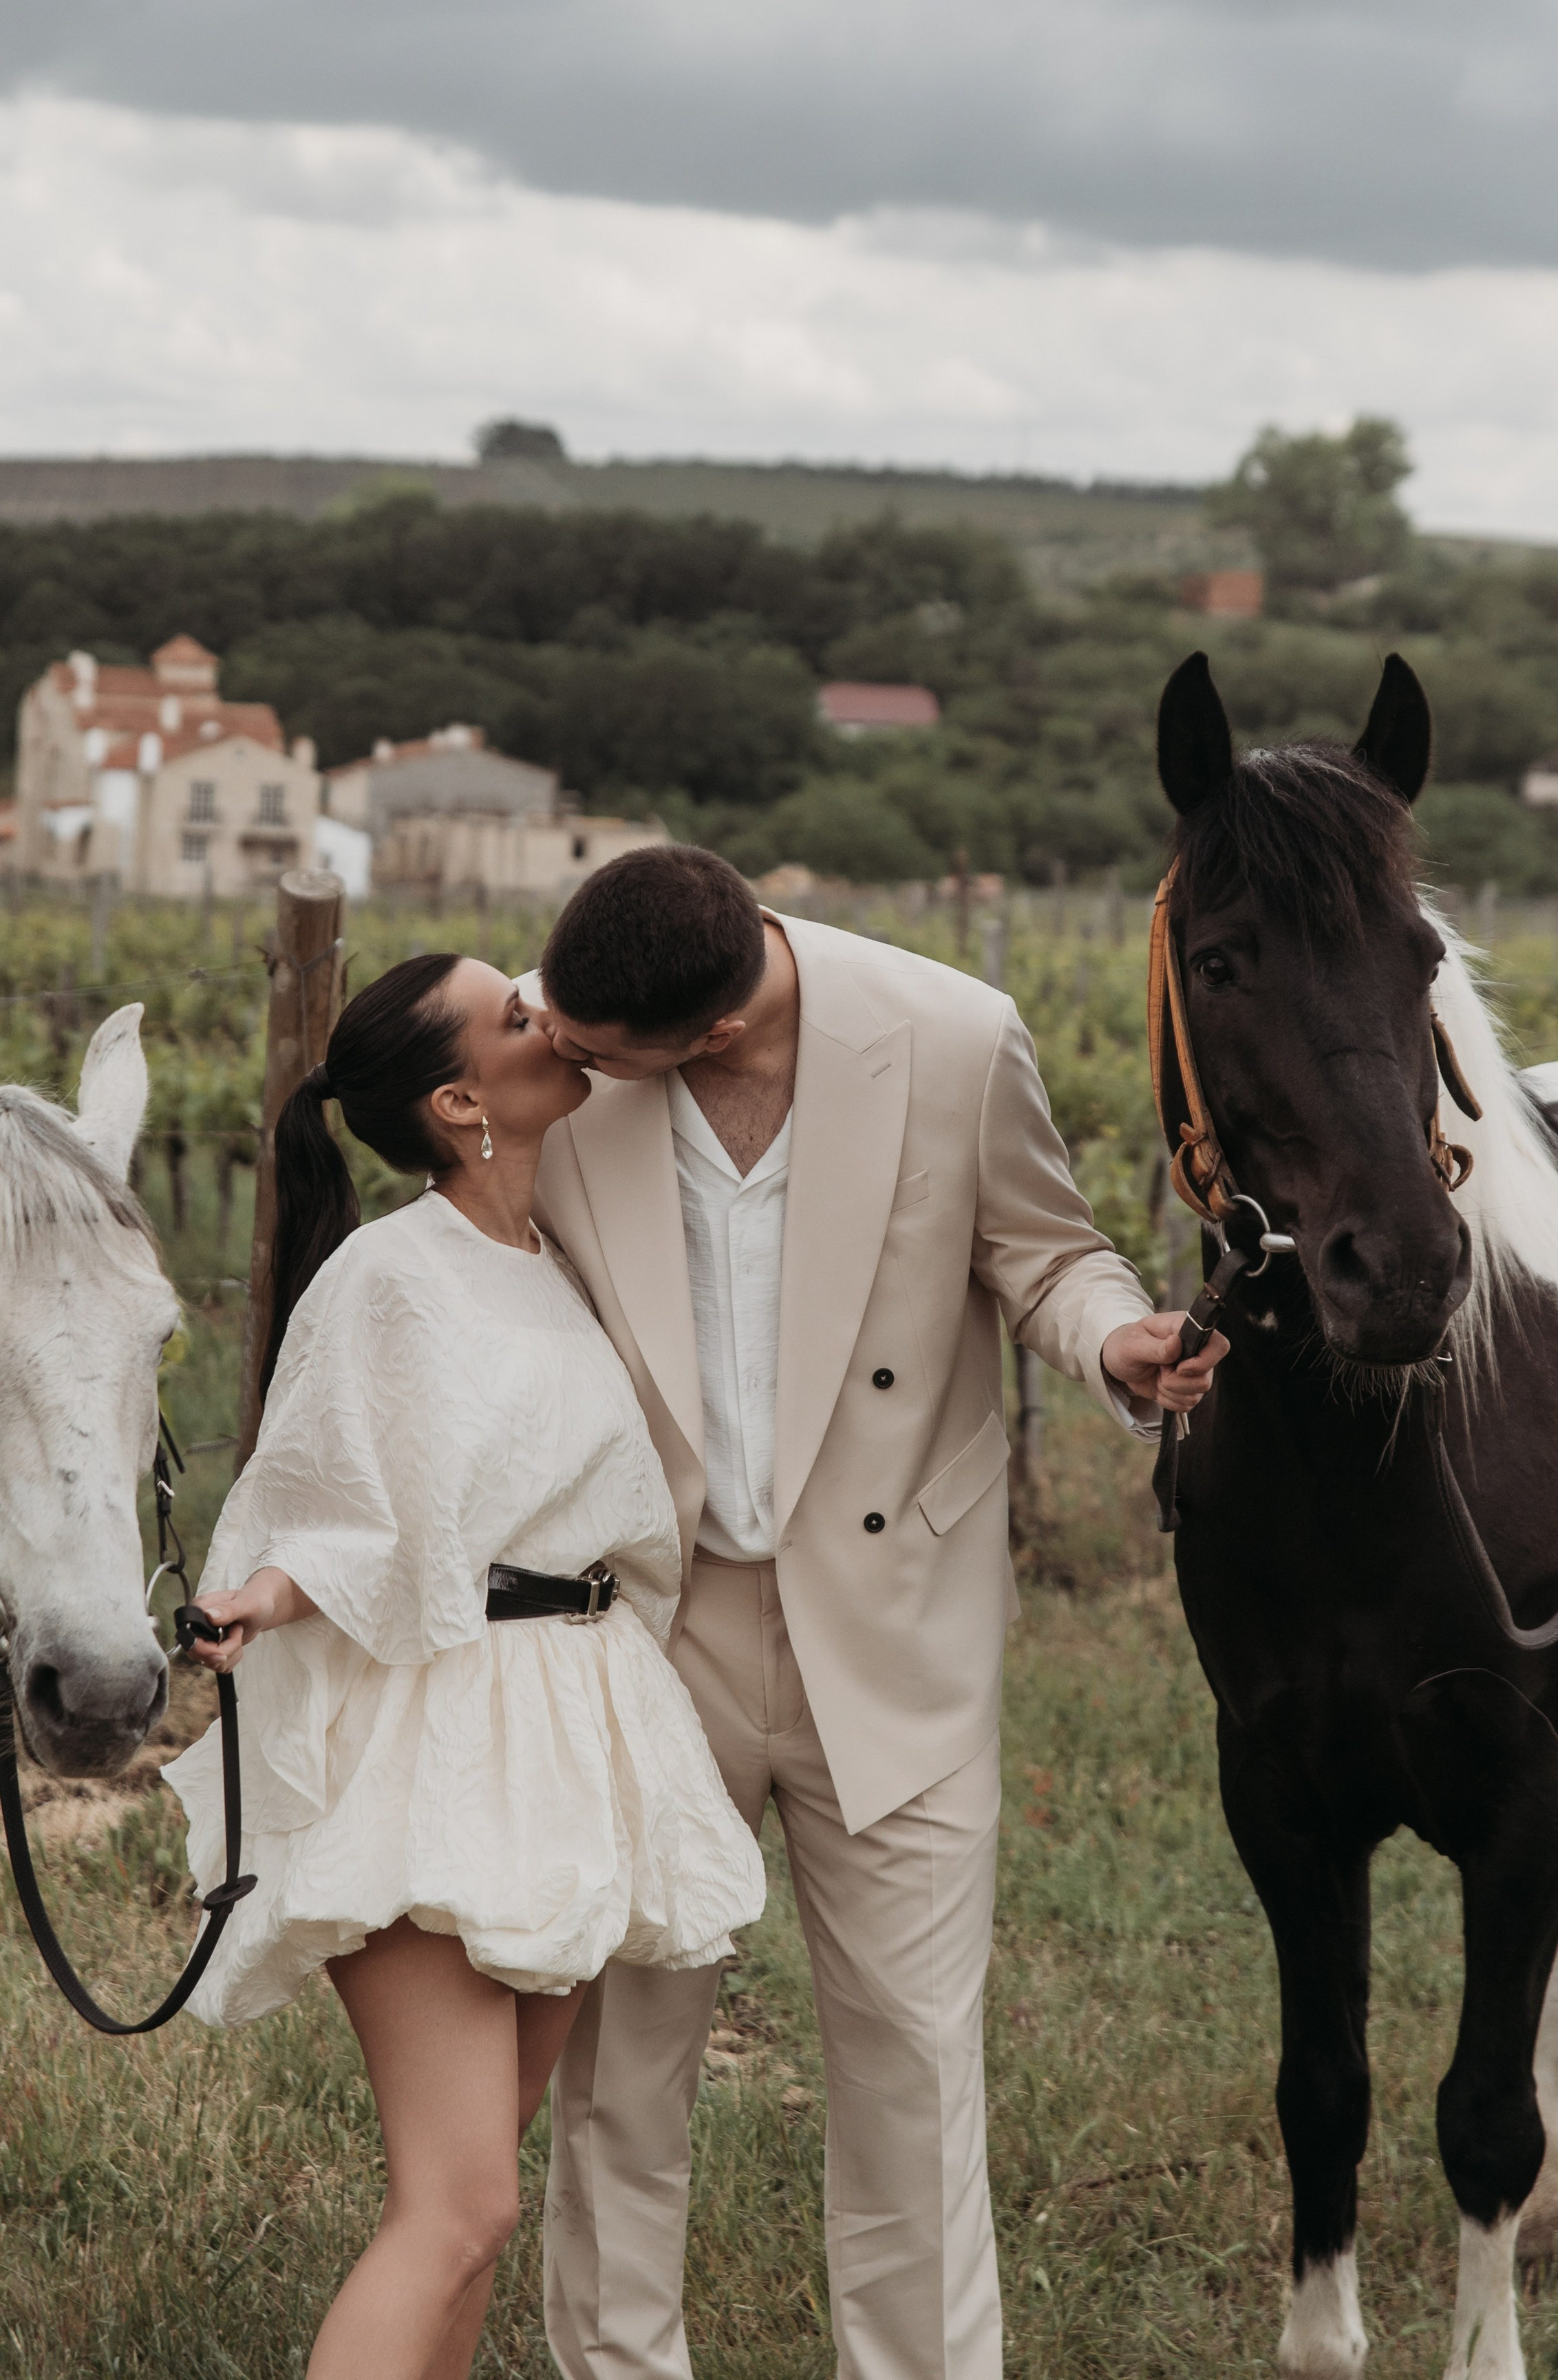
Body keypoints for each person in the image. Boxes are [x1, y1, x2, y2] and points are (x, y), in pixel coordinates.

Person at [513, 846, 1226, 2380]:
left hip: (895, 1620)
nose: (557, 1058)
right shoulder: (553, 1027)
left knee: (910, 2066)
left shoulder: (955, 1035)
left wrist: (1113, 1345)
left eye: (589, 1056)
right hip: (647, 1624)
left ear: (703, 1030)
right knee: (620, 2070)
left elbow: (1047, 1253)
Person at [162, 952, 765, 2380]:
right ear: (456, 1100)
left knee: (478, 2204)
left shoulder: (553, 1260)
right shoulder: (393, 1273)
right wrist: (268, 1586)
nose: (547, 1016)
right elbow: (330, 1489)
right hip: (445, 1728)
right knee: (459, 2202)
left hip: (572, 1721)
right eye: (513, 1017)